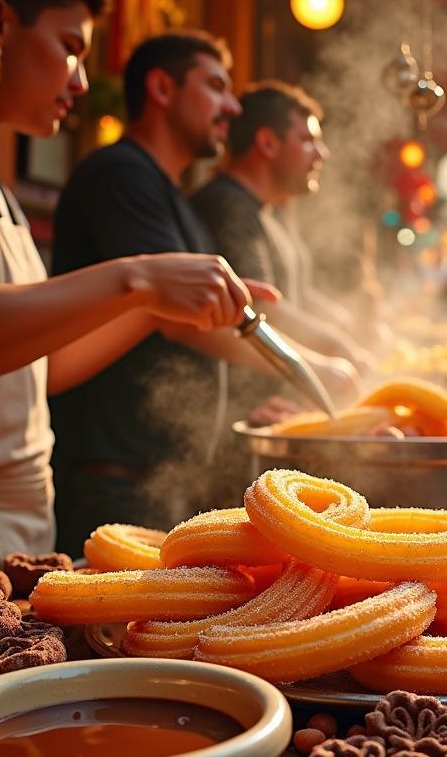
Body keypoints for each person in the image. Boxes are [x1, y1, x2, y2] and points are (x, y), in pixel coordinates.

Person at [0, 0, 274, 601]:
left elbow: (34, 370)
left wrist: (150, 308)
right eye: (70, 47)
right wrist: (134, 276)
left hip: (15, 526)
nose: (80, 80)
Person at [49, 34, 357, 553]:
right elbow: (179, 316)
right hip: (115, 471)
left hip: (155, 468)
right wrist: (310, 371)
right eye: (216, 87)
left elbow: (220, 314)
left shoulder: (172, 194)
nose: (231, 107)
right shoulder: (122, 176)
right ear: (162, 88)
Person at [190, 82, 374, 372]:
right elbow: (262, 306)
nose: (321, 154)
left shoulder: (270, 209)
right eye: (307, 140)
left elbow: (295, 292)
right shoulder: (228, 205)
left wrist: (346, 325)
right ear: (267, 143)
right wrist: (336, 350)